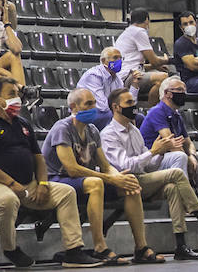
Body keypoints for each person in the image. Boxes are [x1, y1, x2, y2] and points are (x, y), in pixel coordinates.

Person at [0, 77, 105, 269]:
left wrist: (42, 184)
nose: (18, 98)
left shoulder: (22, 124)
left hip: (26, 184)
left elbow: (39, 158)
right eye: (12, 94)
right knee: (8, 199)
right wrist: (12, 184)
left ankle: (73, 251)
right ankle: (10, 248)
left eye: (18, 94)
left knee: (66, 192)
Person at [43, 89, 163, 264]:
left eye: (94, 103)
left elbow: (106, 166)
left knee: (130, 184)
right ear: (73, 107)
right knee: (96, 183)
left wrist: (118, 177)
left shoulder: (92, 130)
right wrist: (109, 179)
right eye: (88, 104)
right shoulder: (63, 128)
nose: (94, 107)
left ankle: (141, 248)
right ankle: (100, 247)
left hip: (84, 180)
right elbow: (72, 169)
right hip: (57, 180)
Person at [113, 8, 170, 104]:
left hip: (129, 73)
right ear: (147, 20)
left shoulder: (128, 32)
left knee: (162, 77)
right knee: (163, 78)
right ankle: (152, 113)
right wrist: (165, 60)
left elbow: (137, 65)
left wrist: (157, 67)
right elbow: (154, 61)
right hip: (127, 77)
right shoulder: (139, 31)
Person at [75, 48, 132, 129]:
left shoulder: (118, 79)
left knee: (137, 115)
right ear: (103, 60)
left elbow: (125, 101)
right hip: (86, 112)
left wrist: (135, 86)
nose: (119, 61)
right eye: (115, 58)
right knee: (111, 115)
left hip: (107, 112)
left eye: (120, 58)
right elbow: (102, 106)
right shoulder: (94, 75)